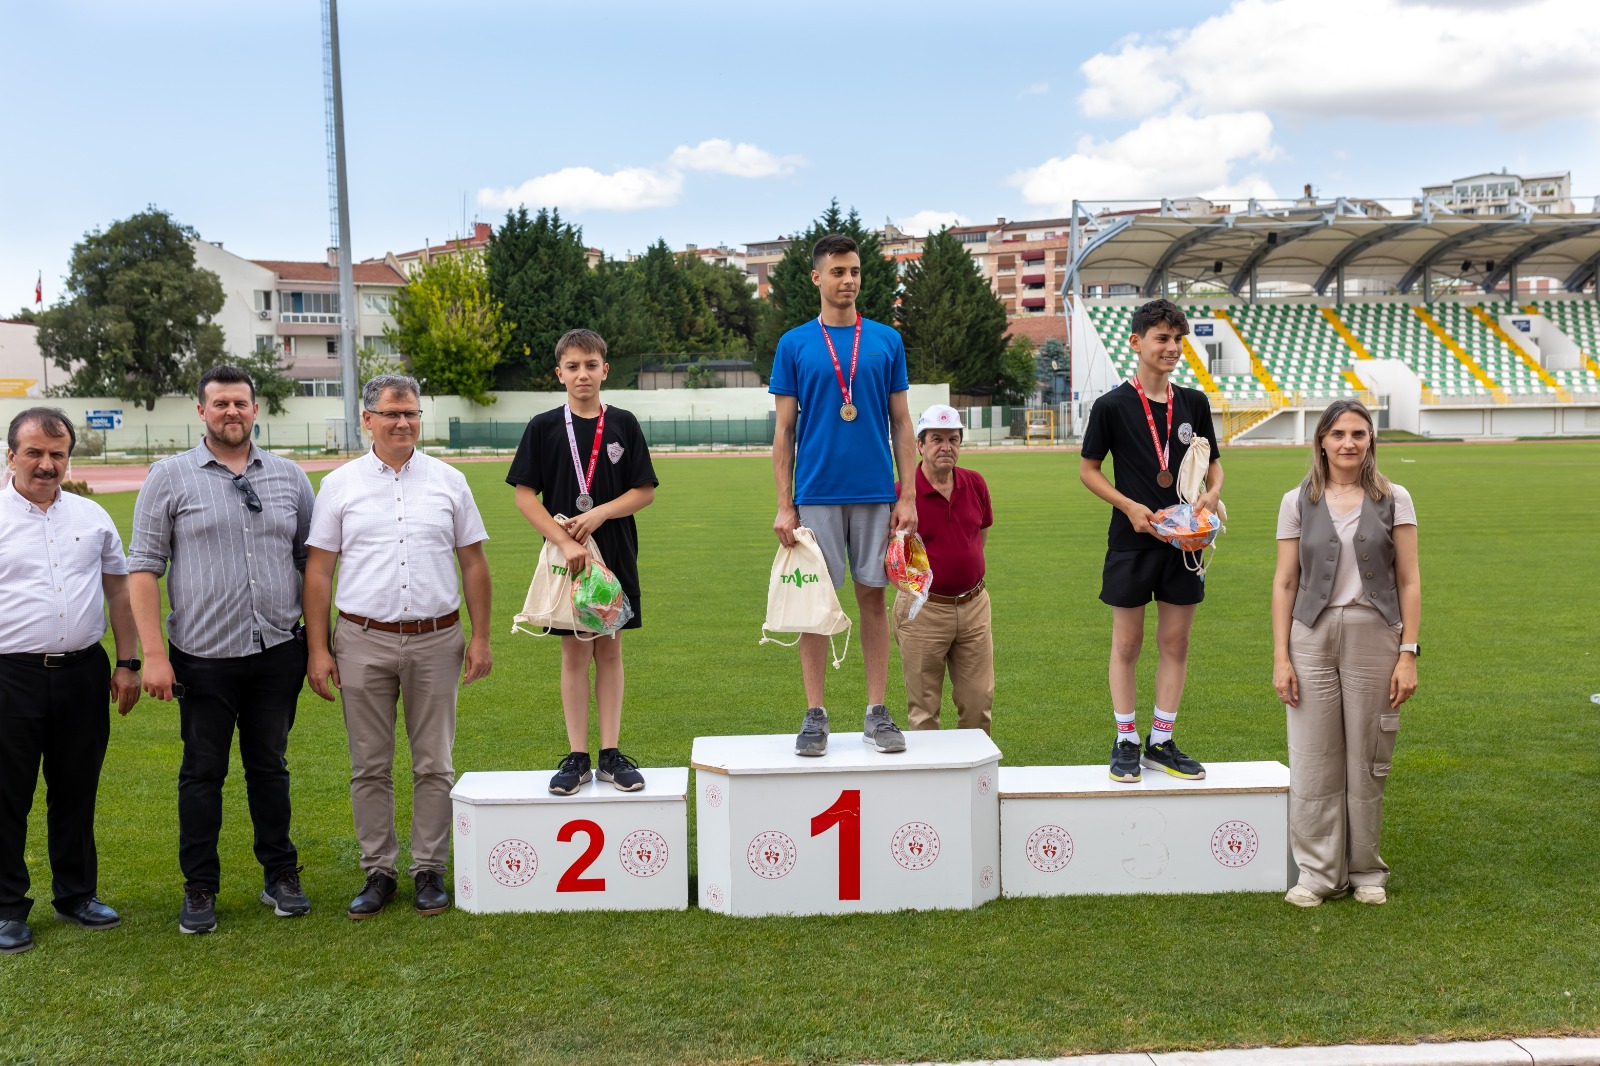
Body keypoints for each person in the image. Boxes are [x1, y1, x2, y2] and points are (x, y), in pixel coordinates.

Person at [128, 366, 316, 935]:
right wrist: (153, 656)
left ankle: (280, 874)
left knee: (270, 768)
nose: (231, 412)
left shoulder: (288, 476)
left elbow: (312, 565)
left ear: (255, 410)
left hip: (277, 649)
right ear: (201, 411)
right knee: (201, 774)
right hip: (202, 656)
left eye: (240, 403)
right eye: (220, 404)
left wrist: (317, 644)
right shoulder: (170, 477)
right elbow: (143, 568)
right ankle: (200, 886)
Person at [304, 373, 492, 920]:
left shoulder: (450, 481)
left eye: (410, 413)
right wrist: (319, 650)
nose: (403, 422)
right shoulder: (339, 485)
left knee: (435, 763)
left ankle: (429, 868)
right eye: (391, 414)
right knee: (370, 765)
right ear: (368, 420)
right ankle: (378, 871)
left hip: (437, 638)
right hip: (361, 640)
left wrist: (480, 637)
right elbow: (319, 572)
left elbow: (473, 562)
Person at [771, 233, 919, 757]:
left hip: (878, 492)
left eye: (854, 270)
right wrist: (785, 503)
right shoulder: (794, 344)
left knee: (873, 600)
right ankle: (815, 715)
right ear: (817, 278)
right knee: (816, 603)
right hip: (816, 493)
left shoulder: (885, 341)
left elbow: (902, 423)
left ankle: (877, 712)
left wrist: (908, 496)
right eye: (837, 271)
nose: (848, 279)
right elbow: (784, 431)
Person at [0, 409, 141, 955]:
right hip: (10, 675)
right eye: (34, 452)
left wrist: (126, 663)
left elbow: (119, 592)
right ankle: (9, 907)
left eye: (57, 454)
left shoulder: (91, 515)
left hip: (83, 671)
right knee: (7, 794)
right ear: (11, 455)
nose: (47, 464)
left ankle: (77, 895)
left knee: (76, 790)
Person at [1272, 399, 1419, 908]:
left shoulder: (1394, 497)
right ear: (1322, 441)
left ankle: (1364, 870)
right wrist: (1280, 656)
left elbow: (1409, 579)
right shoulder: (1297, 500)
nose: (1349, 443)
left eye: (1359, 433)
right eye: (1338, 434)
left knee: (1368, 755)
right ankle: (1317, 872)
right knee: (1313, 756)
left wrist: (1408, 652)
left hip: (1375, 633)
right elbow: (1286, 580)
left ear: (1371, 440)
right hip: (1310, 635)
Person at [507, 329, 659, 796]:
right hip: (567, 557)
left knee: (609, 648)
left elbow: (644, 491)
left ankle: (611, 755)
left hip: (613, 552)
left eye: (591, 365)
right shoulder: (544, 426)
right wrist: (566, 540)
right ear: (559, 374)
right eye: (572, 366)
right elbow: (525, 497)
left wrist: (596, 513)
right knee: (575, 651)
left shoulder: (624, 423)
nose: (582, 374)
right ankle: (577, 758)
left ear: (604, 370)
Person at [1079, 298, 1223, 784]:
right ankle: (1125, 739)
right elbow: (1088, 471)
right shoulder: (1112, 405)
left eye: (1177, 340)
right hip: (1133, 537)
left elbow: (1215, 466)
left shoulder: (1194, 403)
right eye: (1162, 339)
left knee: (1176, 641)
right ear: (1137, 342)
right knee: (1128, 643)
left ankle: (1161, 741)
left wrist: (1212, 495)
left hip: (1185, 543)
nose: (1172, 348)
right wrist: (1129, 507)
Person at [892, 404, 994, 734]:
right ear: (919, 445)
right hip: (923, 610)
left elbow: (980, 534)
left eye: (954, 439)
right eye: (936, 439)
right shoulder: (901, 494)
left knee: (978, 703)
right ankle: (929, 785)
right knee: (924, 710)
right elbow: (889, 553)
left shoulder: (975, 483)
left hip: (974, 605)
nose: (946, 447)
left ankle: (973, 785)